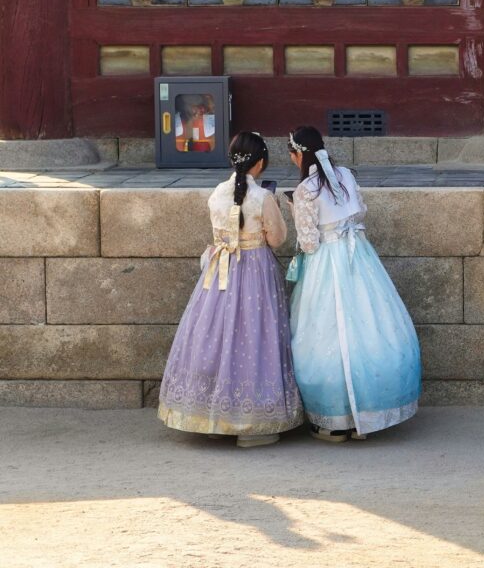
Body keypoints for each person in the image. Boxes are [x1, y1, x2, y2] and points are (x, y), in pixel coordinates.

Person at [158, 131, 304, 447]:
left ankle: (213, 416)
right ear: (261, 162)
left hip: (219, 272)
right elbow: (277, 238)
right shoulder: (263, 198)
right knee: (253, 337)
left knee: (217, 336)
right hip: (254, 272)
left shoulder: (216, 194)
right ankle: (251, 425)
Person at [286, 126, 421, 442]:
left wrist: (294, 210)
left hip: (325, 262)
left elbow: (308, 242)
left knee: (325, 330)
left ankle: (335, 420)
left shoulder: (305, 190)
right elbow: (360, 211)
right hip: (358, 255)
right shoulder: (344, 174)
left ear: (298, 155)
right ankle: (371, 415)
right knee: (370, 325)